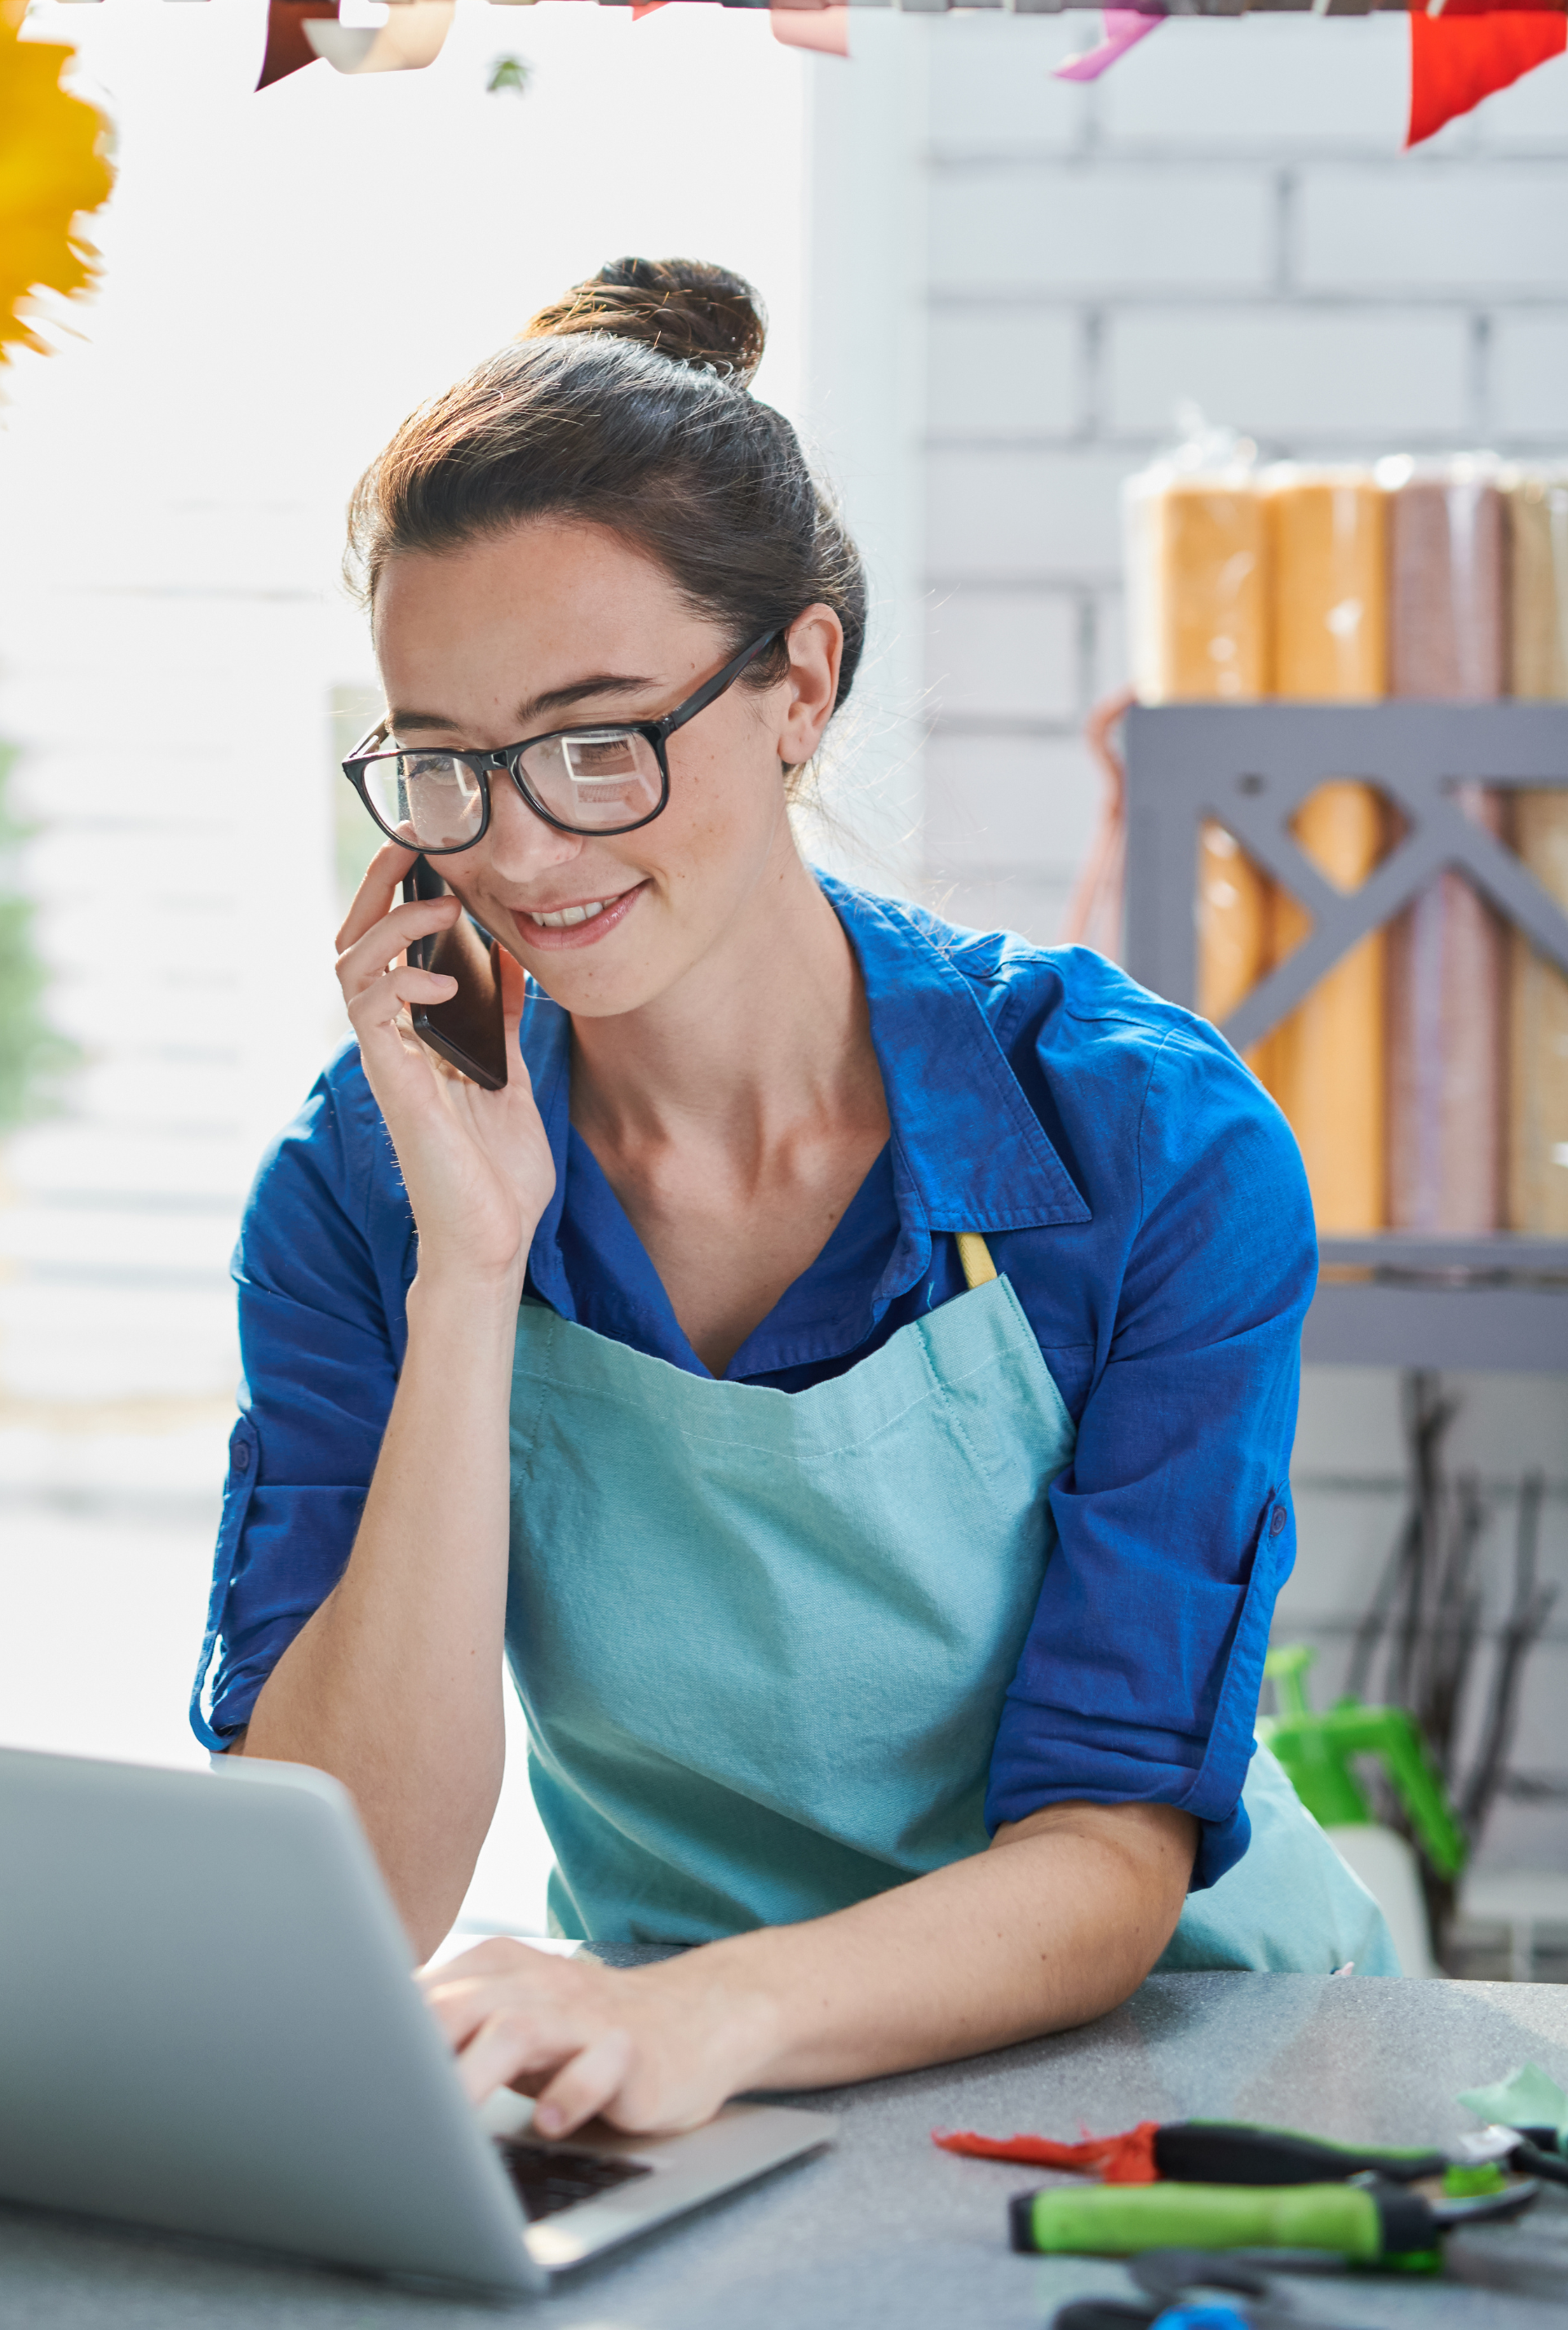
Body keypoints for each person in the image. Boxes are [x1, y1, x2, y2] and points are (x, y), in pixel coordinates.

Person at [189, 259, 1397, 2146]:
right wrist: (471, 1261)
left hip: (1186, 2087)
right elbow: (353, 1887)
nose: (514, 846)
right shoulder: (370, 1191)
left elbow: (1108, 1850)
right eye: (445, 765)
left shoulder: (1143, 1151)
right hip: (690, 2092)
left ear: (799, 689)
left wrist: (697, 2015)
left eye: (599, 740)